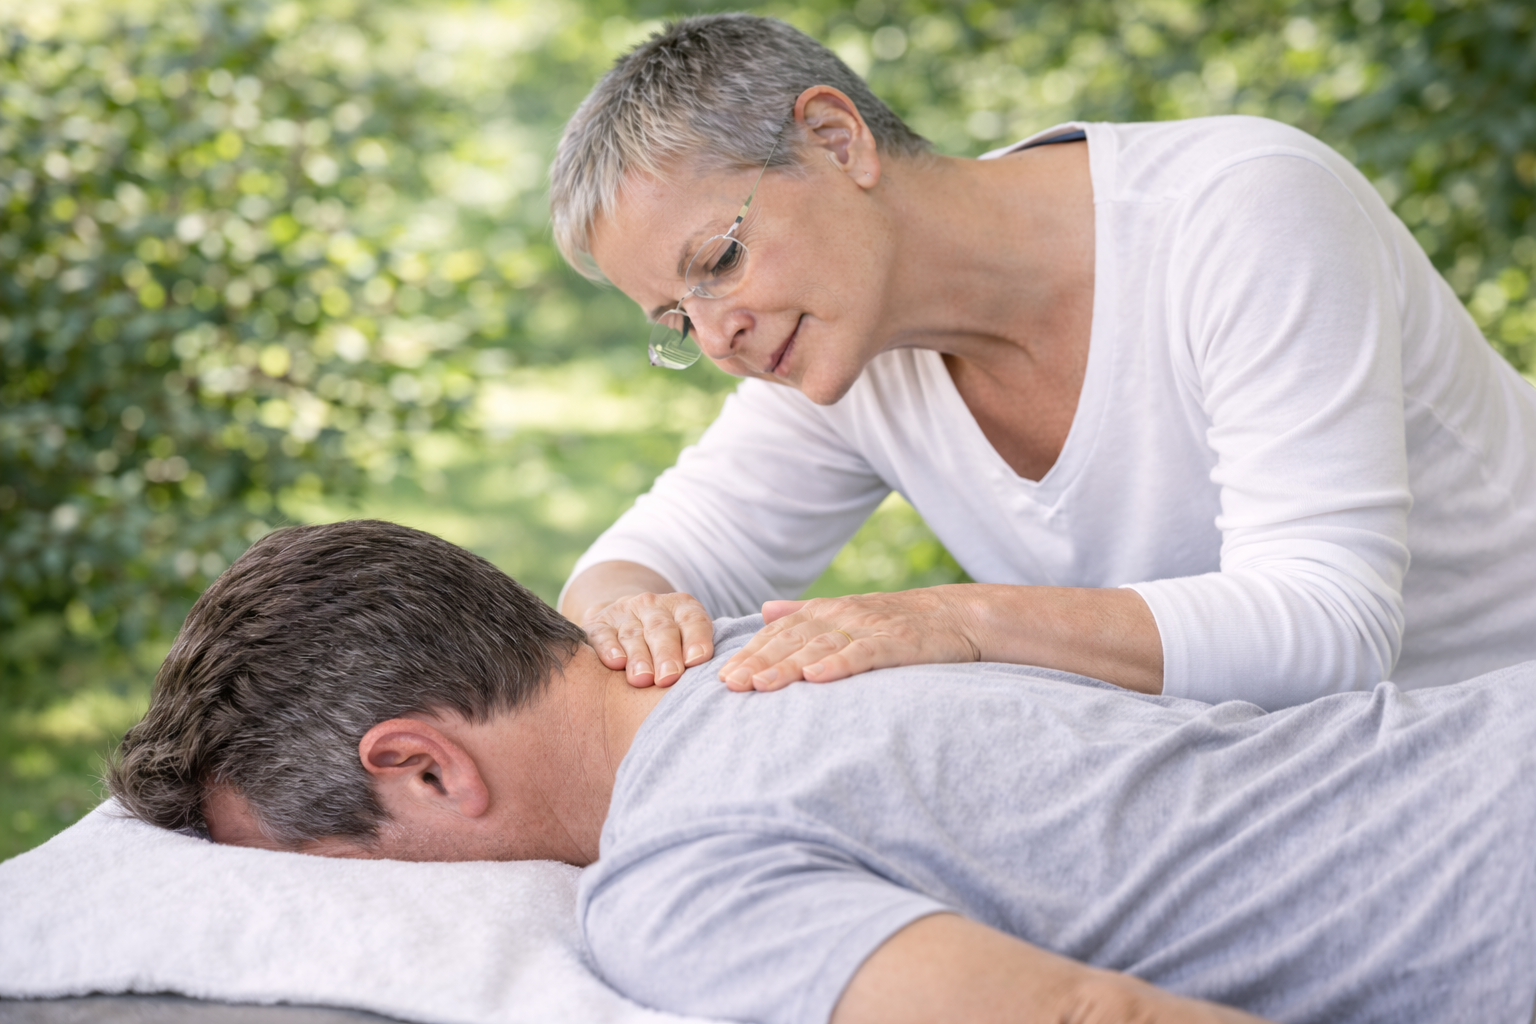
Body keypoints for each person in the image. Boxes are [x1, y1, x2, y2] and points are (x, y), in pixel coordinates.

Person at [111, 521, 1536, 1024]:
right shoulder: (787, 643)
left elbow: (1092, 1021)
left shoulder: (676, 880)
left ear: (419, 768)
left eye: (342, 876)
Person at [547, 14, 1536, 711]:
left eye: (718, 263)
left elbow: (1332, 626)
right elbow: (640, 563)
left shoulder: (1241, 209)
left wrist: (959, 624)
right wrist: (633, 617)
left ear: (834, 137)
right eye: (678, 321)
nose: (720, 340)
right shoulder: (836, 355)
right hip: (1315, 775)